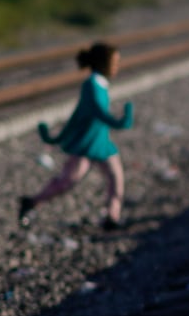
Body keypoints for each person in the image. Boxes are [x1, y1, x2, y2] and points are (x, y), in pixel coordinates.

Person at [21, 42, 133, 229]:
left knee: (116, 178)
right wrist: (120, 121)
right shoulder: (91, 86)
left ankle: (112, 217)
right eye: (114, 62)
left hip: (102, 143)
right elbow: (97, 111)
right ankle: (31, 202)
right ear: (102, 63)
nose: (117, 67)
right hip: (87, 144)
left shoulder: (100, 84)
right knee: (67, 181)